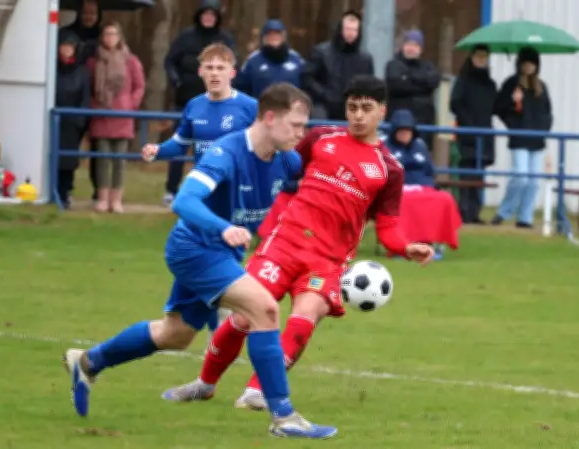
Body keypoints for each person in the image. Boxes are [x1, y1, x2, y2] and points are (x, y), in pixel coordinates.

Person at [62, 83, 336, 439]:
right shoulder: (227, 151)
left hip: (221, 253)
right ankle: (284, 418)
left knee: (174, 335)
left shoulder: (287, 159)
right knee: (264, 309)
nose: (302, 134)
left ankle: (87, 362)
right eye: (296, 125)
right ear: (269, 118)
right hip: (194, 248)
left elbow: (316, 185)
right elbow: (184, 202)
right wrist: (223, 228)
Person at [160, 75, 435, 410]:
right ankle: (205, 384)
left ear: (382, 111)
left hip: (328, 259)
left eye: (366, 108)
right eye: (352, 107)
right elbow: (280, 167)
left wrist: (405, 247)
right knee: (246, 317)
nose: (358, 116)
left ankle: (257, 391)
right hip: (284, 243)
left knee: (306, 315)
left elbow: (388, 226)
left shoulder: (389, 169)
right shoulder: (320, 138)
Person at [143, 42, 258, 332]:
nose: (215, 73)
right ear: (200, 72)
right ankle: (196, 322)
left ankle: (209, 325)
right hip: (201, 203)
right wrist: (158, 149)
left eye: (221, 68)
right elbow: (181, 144)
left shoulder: (248, 107)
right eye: (209, 68)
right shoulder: (194, 106)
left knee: (220, 261)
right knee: (200, 258)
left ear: (233, 72)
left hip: (234, 202)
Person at [163, 0, 237, 205]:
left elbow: (233, 65)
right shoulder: (186, 37)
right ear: (199, 16)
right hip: (186, 100)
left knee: (215, 148)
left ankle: (213, 189)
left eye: (212, 15)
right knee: (180, 145)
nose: (208, 18)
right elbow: (169, 61)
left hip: (217, 104)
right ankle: (171, 189)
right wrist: (175, 80)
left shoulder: (225, 40)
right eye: (205, 14)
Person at [85, 21, 145, 213]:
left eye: (113, 34)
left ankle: (116, 199)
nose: (110, 38)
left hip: (123, 116)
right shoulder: (94, 62)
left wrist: (131, 104)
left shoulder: (131, 61)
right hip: (101, 115)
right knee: (102, 159)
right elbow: (88, 87)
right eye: (106, 34)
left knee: (119, 159)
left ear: (120, 37)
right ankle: (102, 198)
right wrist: (95, 105)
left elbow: (139, 86)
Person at [491, 47, 553, 229]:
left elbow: (548, 113)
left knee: (534, 181)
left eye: (532, 63)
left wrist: (544, 130)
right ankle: (504, 212)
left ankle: (525, 217)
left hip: (537, 141)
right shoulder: (511, 84)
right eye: (525, 63)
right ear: (519, 64)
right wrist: (512, 108)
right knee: (520, 176)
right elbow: (499, 108)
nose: (529, 67)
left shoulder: (542, 87)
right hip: (519, 138)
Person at [449, 44, 497, 224]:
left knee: (479, 174)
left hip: (484, 136)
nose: (481, 60)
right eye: (478, 56)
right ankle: (464, 212)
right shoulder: (463, 81)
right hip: (467, 135)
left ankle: (475, 212)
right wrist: (468, 123)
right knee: (466, 173)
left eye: (484, 57)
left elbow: (496, 107)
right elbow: (454, 103)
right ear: (472, 58)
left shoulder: (490, 85)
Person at [302, 10, 374, 120]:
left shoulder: (365, 59)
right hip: (323, 106)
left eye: (355, 30)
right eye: (348, 29)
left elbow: (369, 86)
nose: (351, 33)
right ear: (340, 29)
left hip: (352, 108)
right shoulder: (321, 52)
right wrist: (323, 94)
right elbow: (307, 77)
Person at [385, 30, 441, 150]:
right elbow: (396, 85)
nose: (411, 48)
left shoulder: (428, 66)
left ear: (421, 49)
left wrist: (408, 77)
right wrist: (423, 85)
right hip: (398, 126)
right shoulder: (393, 65)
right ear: (403, 46)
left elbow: (434, 81)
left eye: (416, 45)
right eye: (409, 44)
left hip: (423, 126)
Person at [55, 30, 91, 209]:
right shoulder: (51, 69)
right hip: (54, 122)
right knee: (52, 158)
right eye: (64, 46)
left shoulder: (82, 72)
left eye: (70, 46)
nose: (67, 50)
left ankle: (65, 192)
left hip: (72, 123)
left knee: (68, 161)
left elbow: (85, 98)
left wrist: (80, 121)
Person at [235, 19, 304, 98]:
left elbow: (306, 83)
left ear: (284, 37)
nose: (274, 37)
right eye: (270, 34)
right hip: (261, 107)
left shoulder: (295, 58)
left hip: (291, 107)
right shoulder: (253, 60)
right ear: (264, 37)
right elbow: (241, 86)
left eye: (277, 34)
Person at [384, 109, 434, 187]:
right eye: (401, 130)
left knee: (446, 197)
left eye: (408, 130)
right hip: (397, 189)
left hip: (422, 188)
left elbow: (429, 171)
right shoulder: (385, 147)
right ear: (394, 131)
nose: (405, 133)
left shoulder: (419, 145)